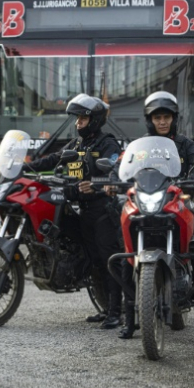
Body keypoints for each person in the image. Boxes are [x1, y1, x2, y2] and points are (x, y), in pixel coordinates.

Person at [110, 91, 194, 339]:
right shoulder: (139, 147)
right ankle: (129, 317)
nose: (162, 122)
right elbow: (120, 167)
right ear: (150, 120)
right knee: (126, 252)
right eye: (157, 117)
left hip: (174, 201)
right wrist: (111, 180)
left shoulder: (185, 145)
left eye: (166, 117)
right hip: (144, 202)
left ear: (174, 118)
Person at [27, 94, 124, 329]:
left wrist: (97, 184)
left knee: (108, 260)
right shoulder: (78, 145)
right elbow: (53, 159)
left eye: (83, 118)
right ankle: (106, 309)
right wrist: (25, 167)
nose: (78, 123)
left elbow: (116, 170)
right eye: (77, 118)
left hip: (103, 210)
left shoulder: (107, 143)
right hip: (82, 210)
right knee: (93, 261)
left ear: (94, 120)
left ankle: (118, 312)